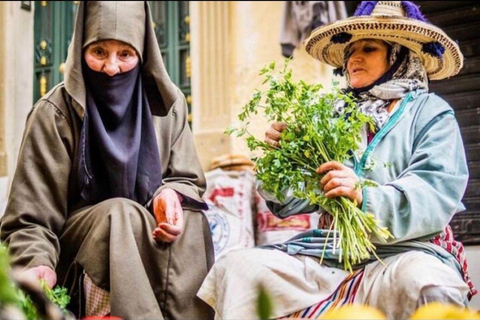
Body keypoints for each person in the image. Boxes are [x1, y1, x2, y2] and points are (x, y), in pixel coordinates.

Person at [197, 1, 477, 319]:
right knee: (238, 269)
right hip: (328, 256)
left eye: (368, 49)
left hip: (405, 253)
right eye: (350, 50)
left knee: (426, 283)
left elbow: (435, 190)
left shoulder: (429, 113)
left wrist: (364, 196)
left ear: (399, 55)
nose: (353, 58)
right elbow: (287, 203)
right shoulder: (332, 116)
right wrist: (286, 158)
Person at [0, 2, 214, 319]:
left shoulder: (169, 106)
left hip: (144, 236)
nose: (111, 68)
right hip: (79, 248)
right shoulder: (54, 114)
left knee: (193, 220)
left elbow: (188, 180)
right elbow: (30, 219)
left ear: (142, 54)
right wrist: (37, 263)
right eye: (99, 52)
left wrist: (170, 194)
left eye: (125, 54)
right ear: (81, 49)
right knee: (120, 212)